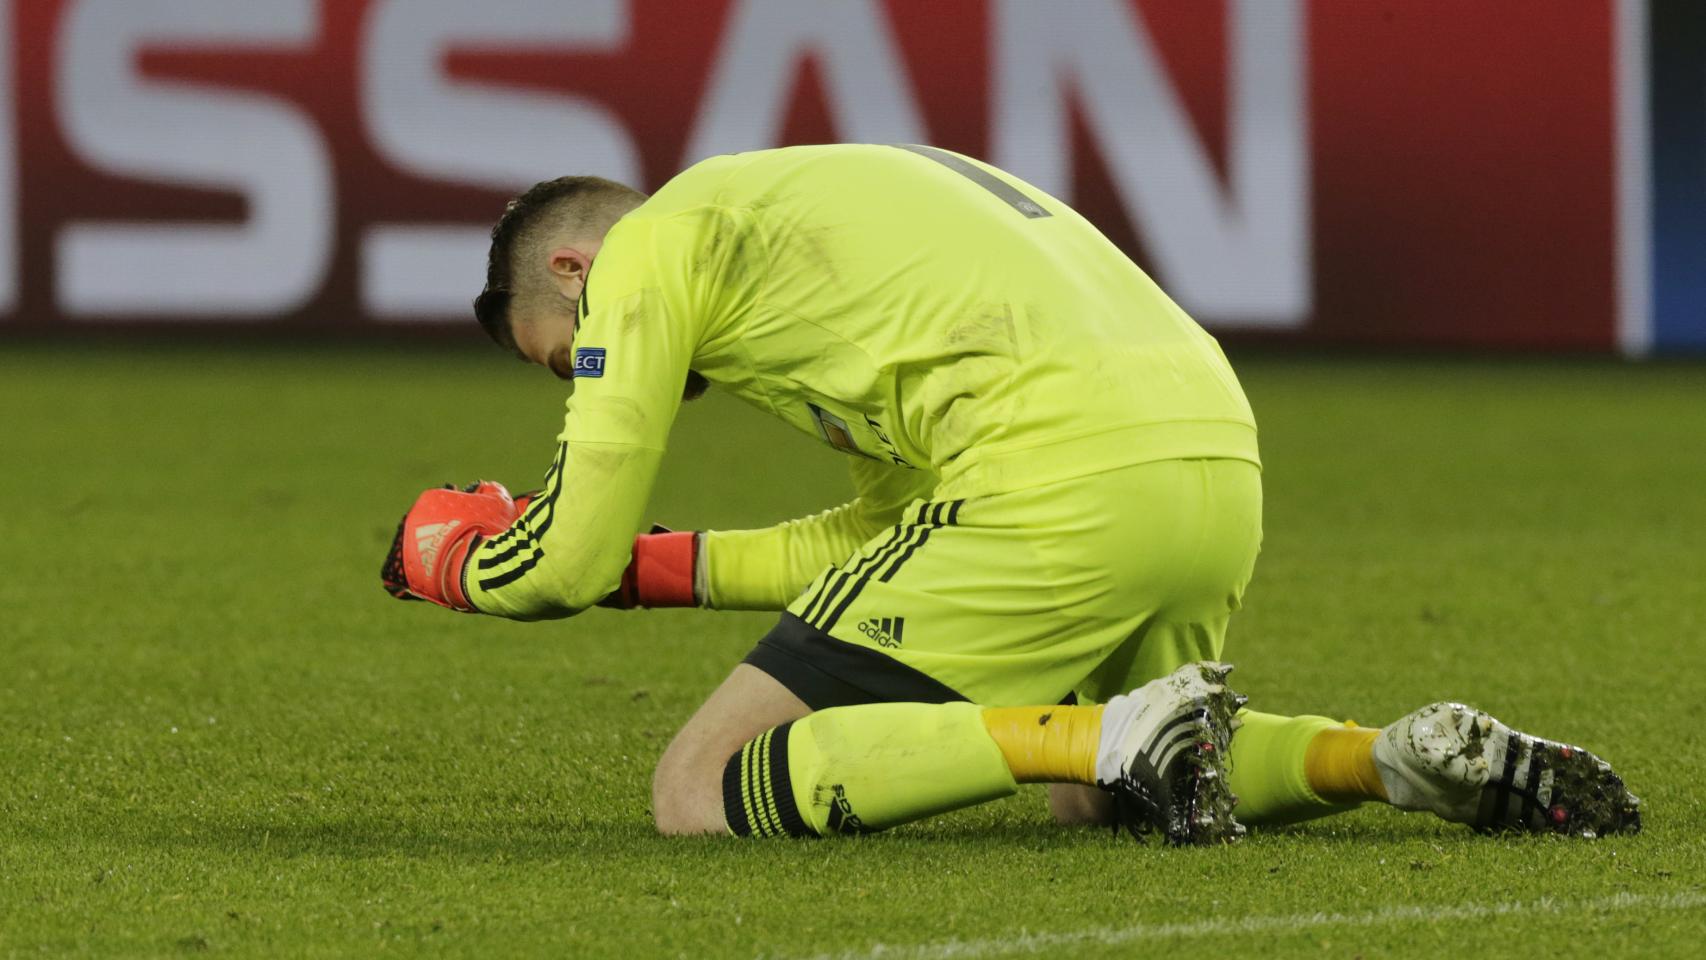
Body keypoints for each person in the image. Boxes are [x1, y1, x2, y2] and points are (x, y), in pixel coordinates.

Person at [381, 144, 1640, 842]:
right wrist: (655, 568)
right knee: (1099, 799)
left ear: (574, 269)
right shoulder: (807, 222)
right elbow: (887, 530)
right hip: (1207, 458)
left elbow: (554, 561)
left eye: (567, 356)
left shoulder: (650, 252)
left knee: (697, 790)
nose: (589, 369)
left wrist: (452, 560)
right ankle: (1392, 760)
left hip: (1053, 474)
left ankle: (1114, 729)